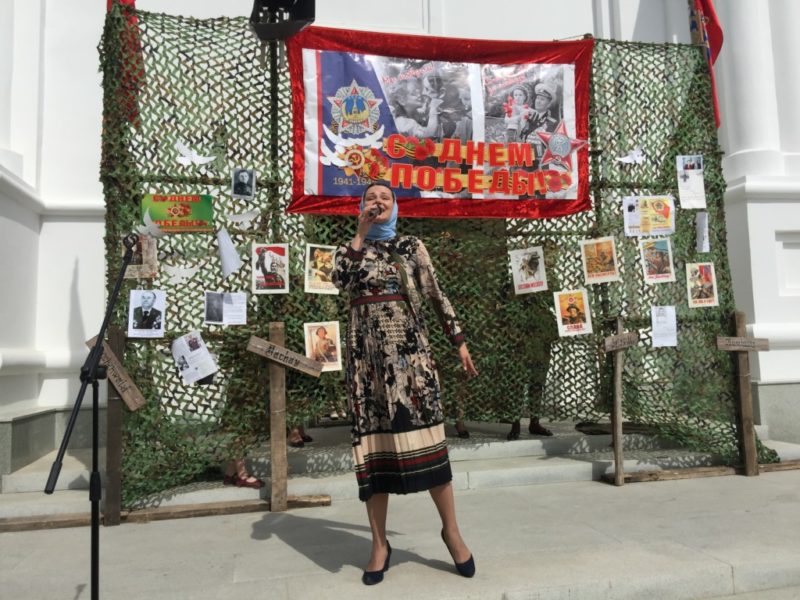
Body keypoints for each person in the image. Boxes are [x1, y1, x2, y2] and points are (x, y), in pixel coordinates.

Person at [333, 183, 478, 585]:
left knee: (430, 444)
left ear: (396, 206)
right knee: (373, 454)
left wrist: (459, 341)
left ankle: (451, 532)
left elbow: (436, 294)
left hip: (411, 362)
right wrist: (360, 234)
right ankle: (379, 545)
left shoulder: (412, 247)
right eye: (370, 198)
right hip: (367, 367)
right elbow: (340, 280)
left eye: (385, 197)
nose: (377, 202)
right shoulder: (349, 249)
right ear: (361, 206)